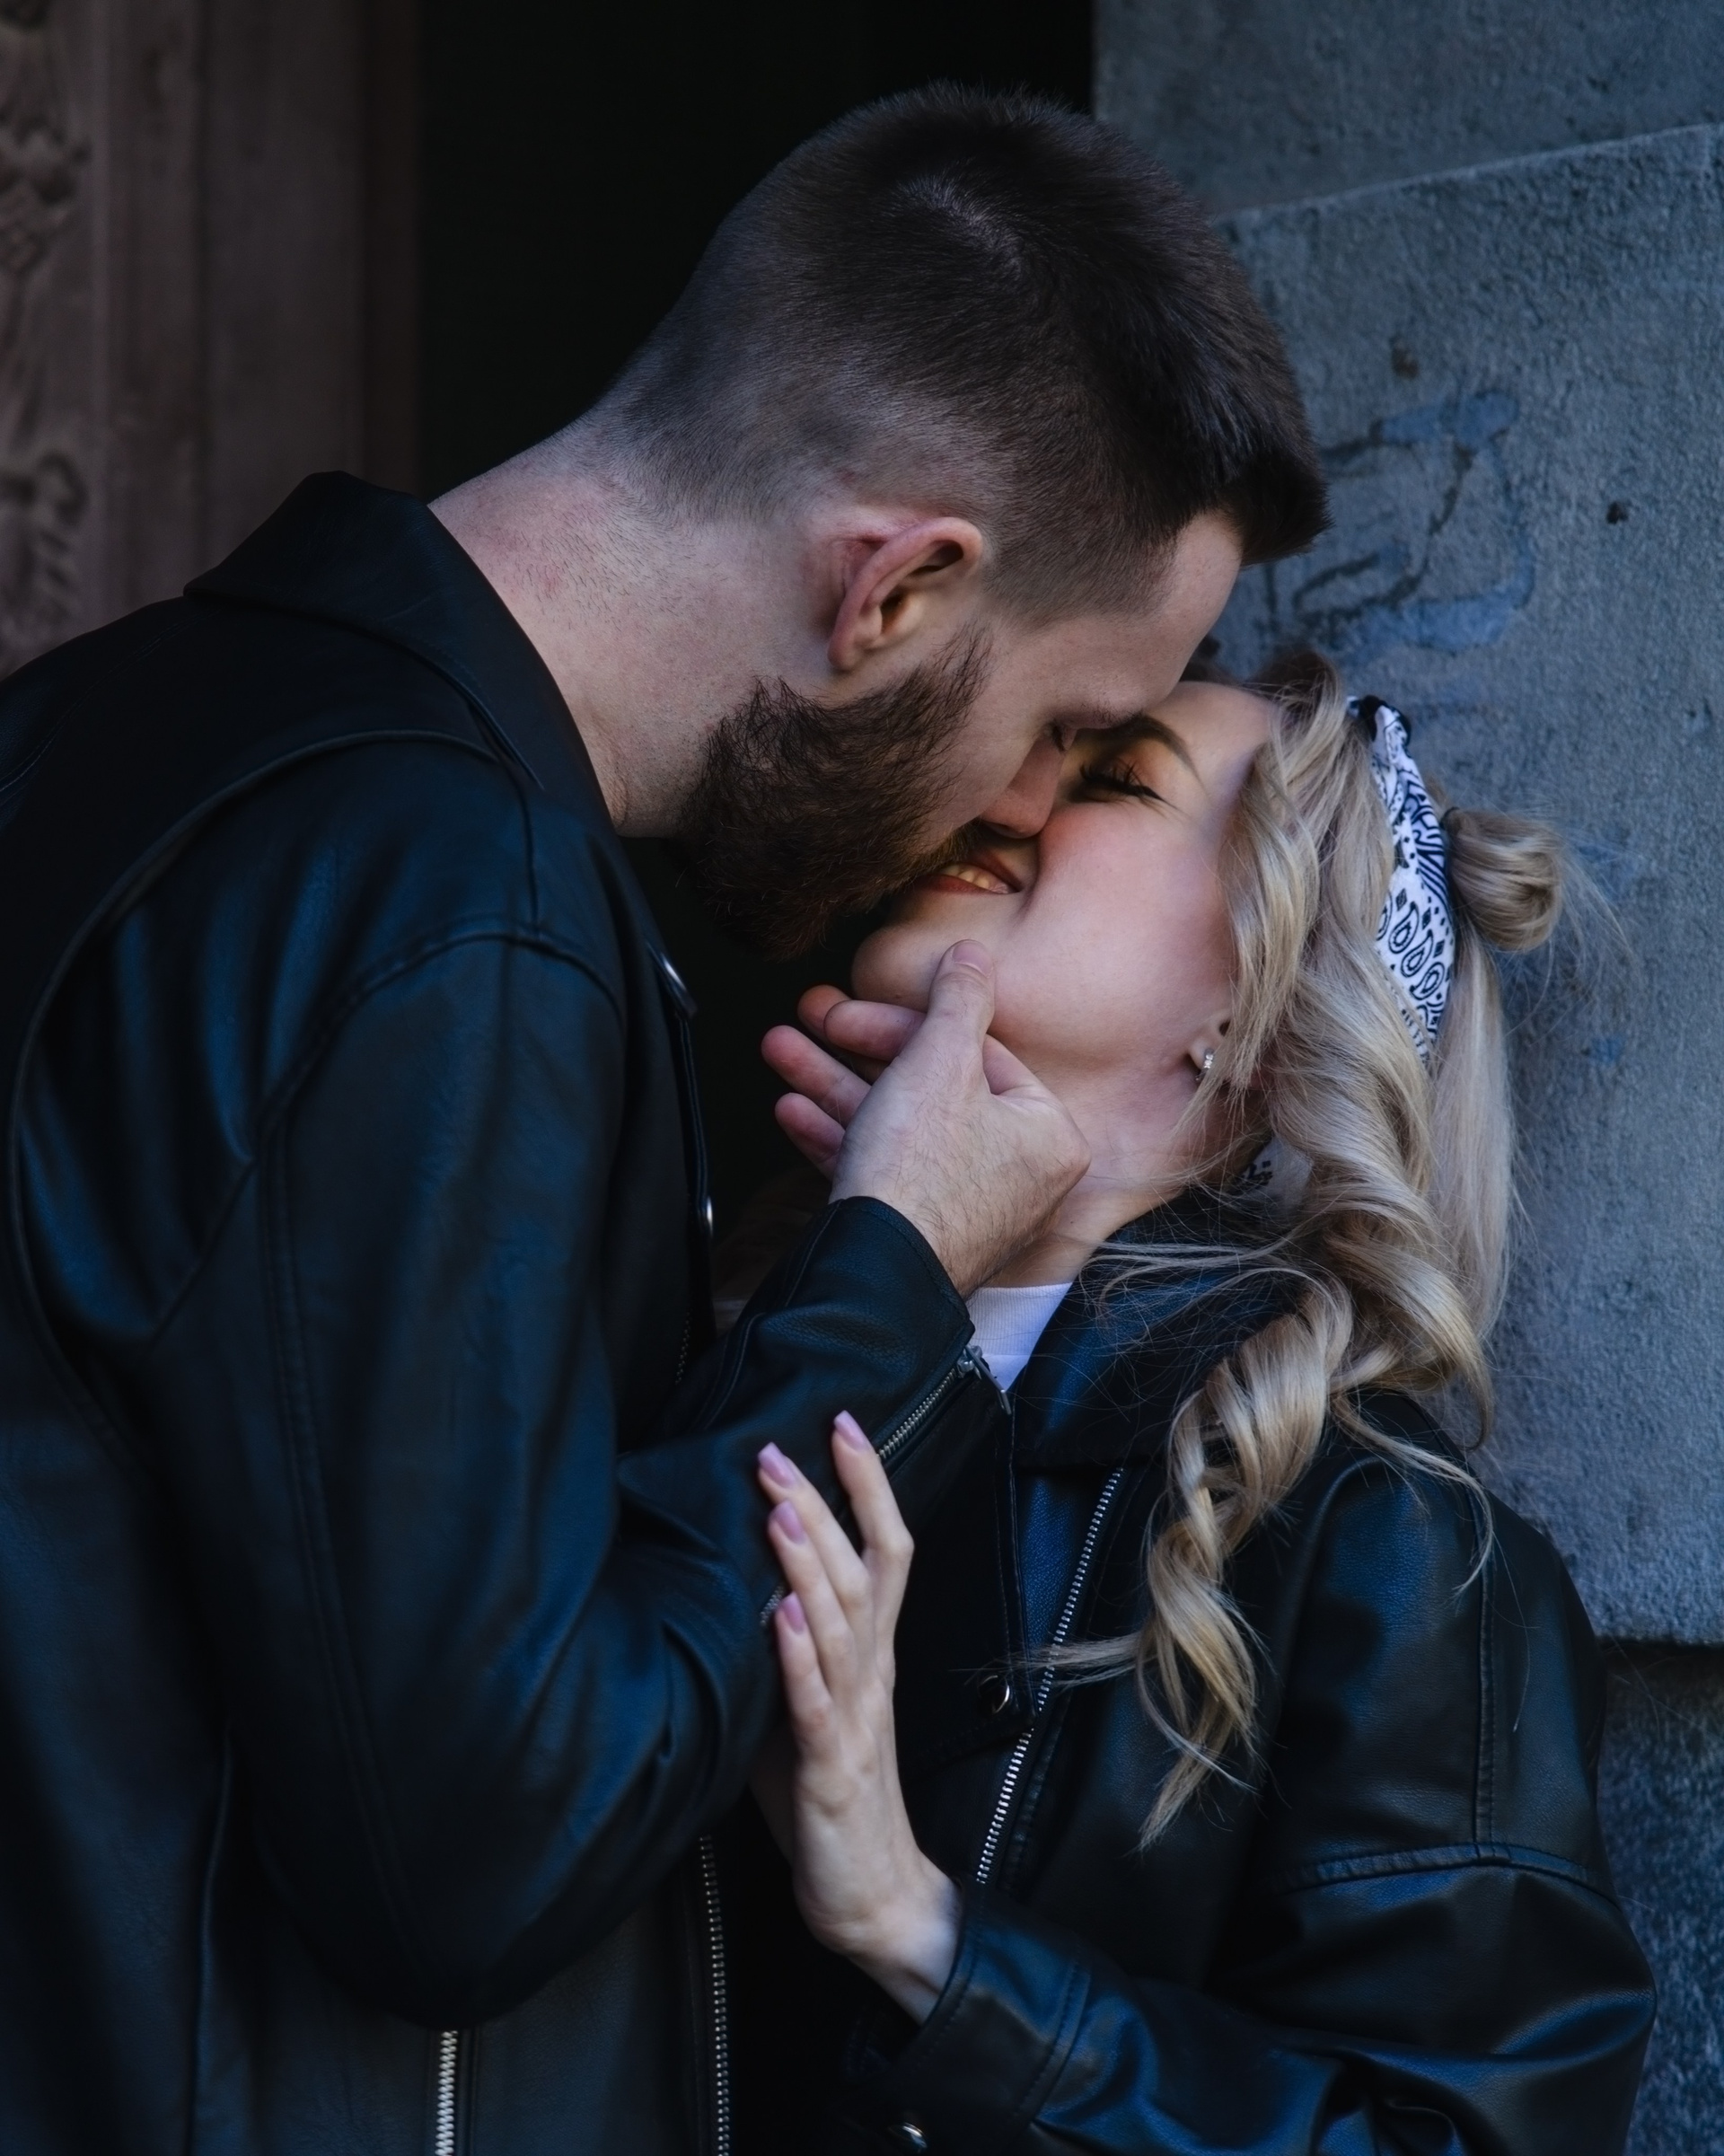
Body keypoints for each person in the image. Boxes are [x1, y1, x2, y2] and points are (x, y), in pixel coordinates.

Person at [0, 92, 1326, 2155]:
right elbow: (471, 1859)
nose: (1025, 811)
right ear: (895, 592)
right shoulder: (463, 913)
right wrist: (887, 1275)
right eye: (1066, 726)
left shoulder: (80, 729)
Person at [724, 655, 1655, 2153]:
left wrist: (920, 1930)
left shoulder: (1386, 1549)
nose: (1005, 792)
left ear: (1255, 1015)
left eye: (1114, 777)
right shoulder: (726, 1347)